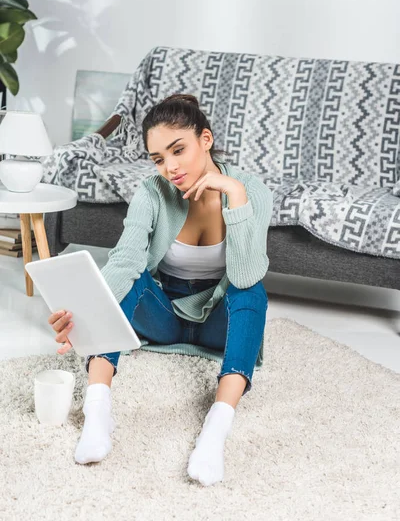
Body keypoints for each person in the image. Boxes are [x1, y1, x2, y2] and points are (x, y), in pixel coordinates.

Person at [48, 93, 273, 487]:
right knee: (131, 279)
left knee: (253, 292)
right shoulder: (152, 192)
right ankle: (98, 408)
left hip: (218, 318)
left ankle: (216, 426)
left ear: (206, 139)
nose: (170, 167)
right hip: (163, 317)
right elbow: (125, 261)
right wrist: (82, 314)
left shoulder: (251, 190)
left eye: (178, 150)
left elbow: (244, 274)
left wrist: (233, 195)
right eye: (158, 158)